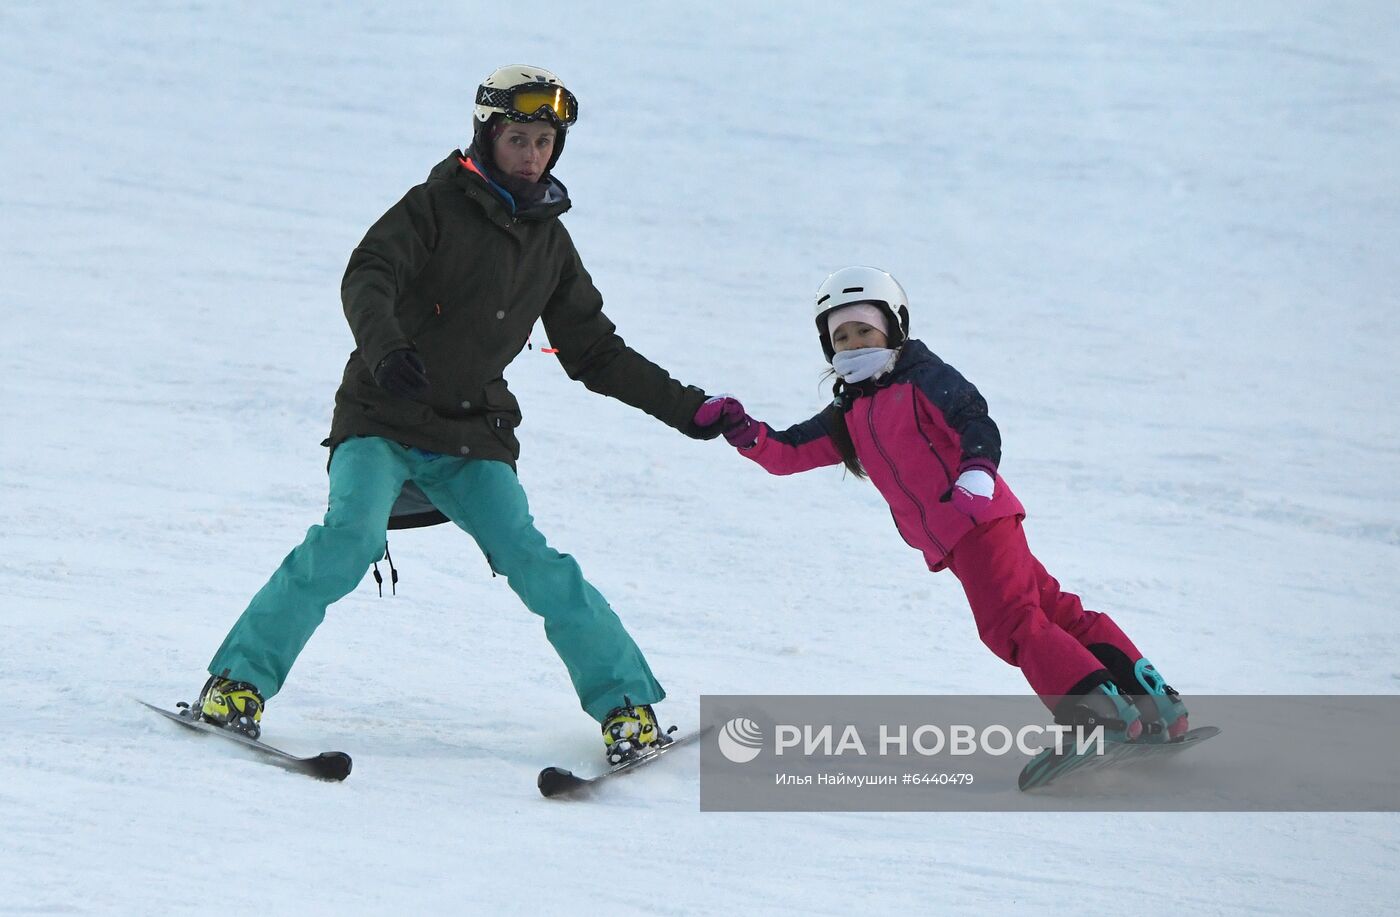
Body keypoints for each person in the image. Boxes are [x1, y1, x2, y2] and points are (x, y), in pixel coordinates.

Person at [196, 65, 723, 765]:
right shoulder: (433, 207)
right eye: (517, 139)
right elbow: (368, 272)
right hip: (381, 417)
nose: (531, 154)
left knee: (534, 559)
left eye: (543, 141)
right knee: (347, 540)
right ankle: (234, 685)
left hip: (471, 433)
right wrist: (386, 350)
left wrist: (690, 408)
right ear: (487, 135)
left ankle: (627, 707)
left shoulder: (549, 244)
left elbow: (595, 352)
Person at [693, 266, 1190, 742]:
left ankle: (1100, 715)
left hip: (976, 517)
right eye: (840, 337)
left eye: (864, 330)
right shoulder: (850, 408)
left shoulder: (922, 376)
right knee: (1051, 610)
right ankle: (1150, 702)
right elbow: (788, 453)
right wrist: (743, 431)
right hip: (964, 536)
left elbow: (974, 418)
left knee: (1011, 624)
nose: (853, 344)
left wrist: (977, 469)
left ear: (895, 326)